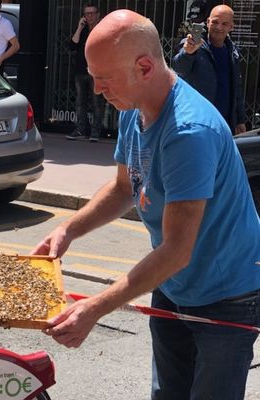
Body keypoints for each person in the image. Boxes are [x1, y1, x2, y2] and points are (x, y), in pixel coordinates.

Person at [32, 9, 260, 400]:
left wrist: (95, 308)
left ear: (144, 66)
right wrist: (67, 229)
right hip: (173, 286)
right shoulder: (132, 107)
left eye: (104, 78)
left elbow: (176, 249)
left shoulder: (189, 132)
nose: (97, 88)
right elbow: (123, 188)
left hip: (227, 298)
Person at [173, 5, 246, 135]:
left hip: (225, 125)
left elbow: (237, 88)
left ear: (231, 27)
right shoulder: (193, 45)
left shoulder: (232, 52)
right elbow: (179, 69)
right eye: (215, 22)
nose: (219, 27)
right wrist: (188, 53)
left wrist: (240, 120)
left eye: (224, 24)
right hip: (199, 123)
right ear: (207, 22)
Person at [66, 3, 105, 142]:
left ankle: (95, 132)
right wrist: (79, 27)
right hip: (80, 70)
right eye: (86, 14)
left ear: (98, 15)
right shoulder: (82, 29)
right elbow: (72, 45)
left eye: (92, 13)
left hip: (96, 71)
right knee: (80, 102)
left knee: (97, 102)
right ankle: (81, 129)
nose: (89, 16)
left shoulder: (102, 29)